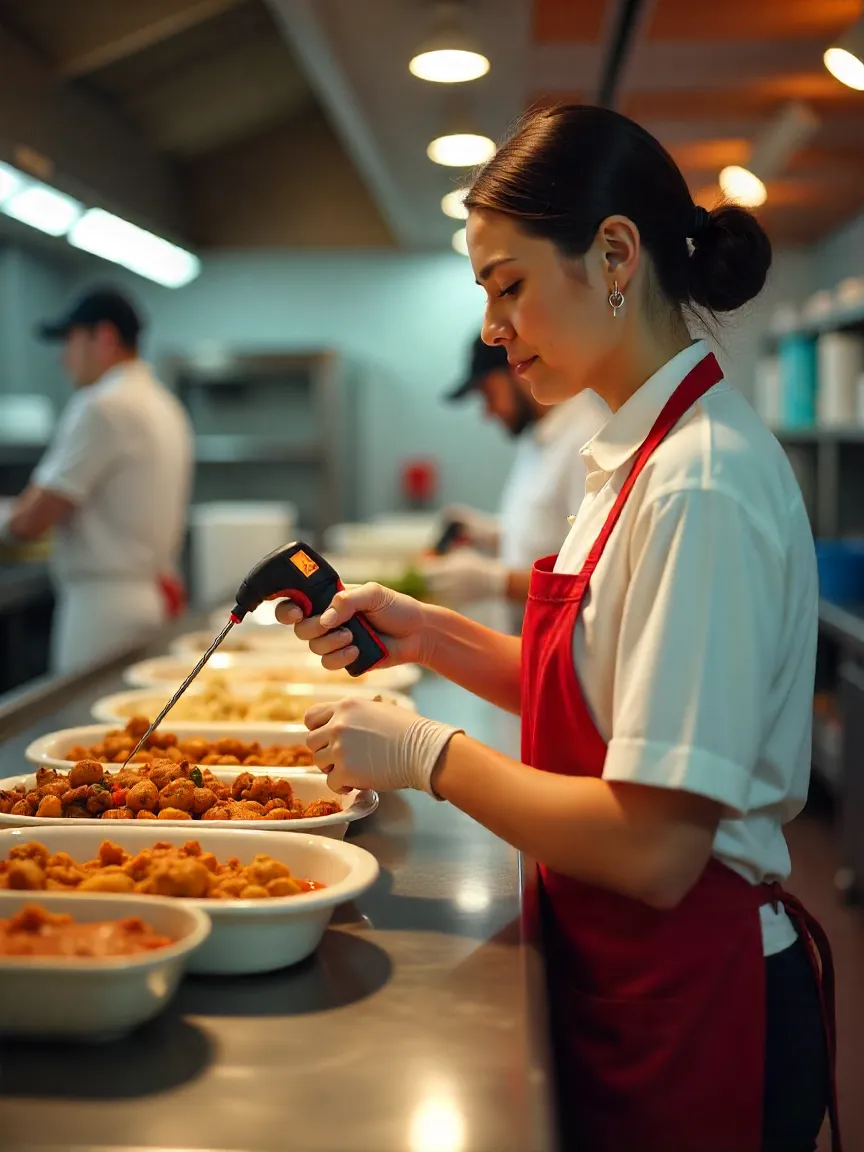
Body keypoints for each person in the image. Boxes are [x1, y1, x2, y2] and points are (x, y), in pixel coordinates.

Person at [279, 105, 840, 1152]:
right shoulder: (635, 454)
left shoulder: (697, 484)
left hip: (698, 996)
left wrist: (426, 753)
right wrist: (433, 636)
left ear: (615, 254)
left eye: (509, 286)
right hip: (634, 972)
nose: (494, 328)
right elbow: (605, 690)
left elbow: (657, 847)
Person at [0, 286, 194, 674]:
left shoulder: (102, 406)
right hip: (152, 595)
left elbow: (31, 520)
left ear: (103, 337)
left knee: (90, 724)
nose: (63, 358)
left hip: (103, 610)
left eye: (70, 341)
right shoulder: (163, 403)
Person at [424, 336, 607, 611]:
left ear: (518, 370)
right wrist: (491, 534)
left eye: (488, 393)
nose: (487, 412)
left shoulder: (587, 440)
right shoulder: (538, 435)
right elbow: (548, 533)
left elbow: (591, 576)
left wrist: (497, 581)